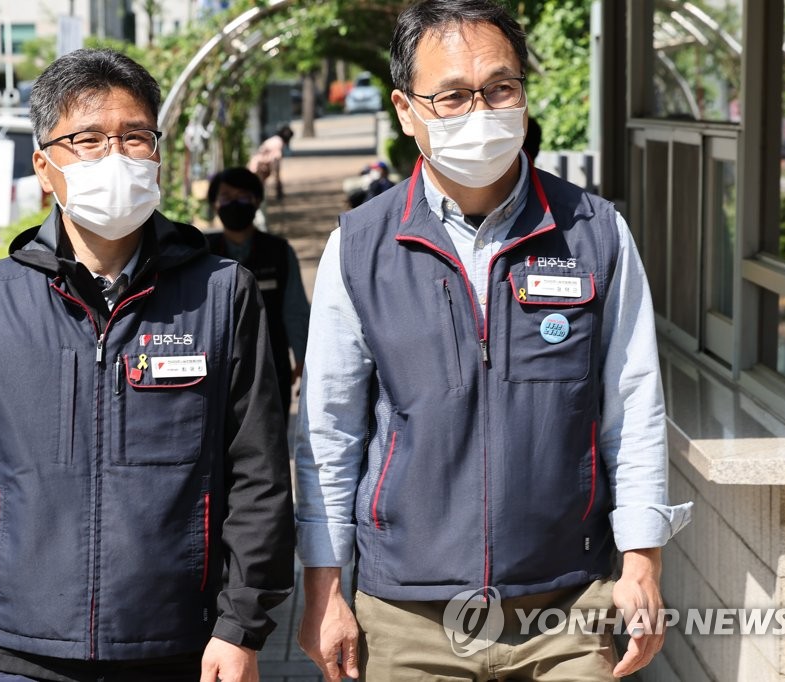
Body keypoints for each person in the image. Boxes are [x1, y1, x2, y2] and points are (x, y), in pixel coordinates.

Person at [293, 2, 693, 681]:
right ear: (405, 109)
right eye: (452, 95)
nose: (480, 111)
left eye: (500, 88)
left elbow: (634, 407)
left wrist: (643, 562)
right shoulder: (360, 248)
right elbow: (328, 436)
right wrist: (324, 590)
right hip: (407, 615)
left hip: (566, 608)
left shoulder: (593, 233)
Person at [0, 48, 295, 682]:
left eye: (135, 136)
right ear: (44, 166)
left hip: (181, 649)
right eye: (88, 139)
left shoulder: (222, 293)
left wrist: (241, 626)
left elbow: (258, 473)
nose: (115, 157)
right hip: (17, 653)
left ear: (158, 152)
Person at [206, 167, 309, 419]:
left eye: (243, 196)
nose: (234, 203)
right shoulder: (202, 252)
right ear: (214, 204)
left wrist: (303, 358)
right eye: (227, 196)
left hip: (272, 365)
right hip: (213, 367)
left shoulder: (279, 251)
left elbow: (295, 310)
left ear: (257, 201)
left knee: (270, 440)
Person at [248, 125, 293, 200]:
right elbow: (276, 159)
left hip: (259, 164)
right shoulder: (278, 142)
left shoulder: (275, 140)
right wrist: (277, 179)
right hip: (259, 166)